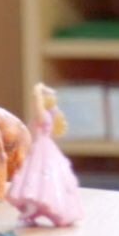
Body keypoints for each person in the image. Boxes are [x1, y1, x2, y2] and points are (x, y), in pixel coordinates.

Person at [6, 84, 83, 227]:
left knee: (39, 174)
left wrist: (37, 91)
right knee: (37, 175)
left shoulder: (45, 115)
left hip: (43, 146)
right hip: (41, 145)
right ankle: (35, 206)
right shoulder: (47, 115)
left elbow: (38, 109)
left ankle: (39, 204)